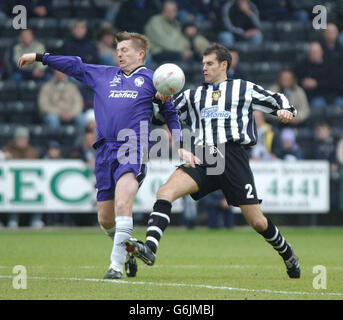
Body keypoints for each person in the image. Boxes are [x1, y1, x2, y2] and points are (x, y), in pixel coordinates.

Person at [125, 44, 301, 279]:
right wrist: (159, 99)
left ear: (224, 65)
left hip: (232, 157)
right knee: (165, 192)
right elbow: (161, 116)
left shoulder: (243, 88)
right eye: (203, 64)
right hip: (203, 155)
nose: (204, 68)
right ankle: (150, 248)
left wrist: (286, 110)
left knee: (257, 221)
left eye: (209, 64)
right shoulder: (193, 94)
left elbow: (278, 99)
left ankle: (287, 254)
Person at [17, 31, 181, 280]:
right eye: (117, 49)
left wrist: (179, 142)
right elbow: (74, 65)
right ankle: (127, 251)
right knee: (105, 219)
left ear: (141, 54)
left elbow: (169, 113)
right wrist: (40, 57)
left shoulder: (152, 80)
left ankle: (114, 268)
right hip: (104, 150)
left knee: (123, 203)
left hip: (133, 147)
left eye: (125, 50)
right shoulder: (104, 74)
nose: (119, 53)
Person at [1, 126, 44, 229]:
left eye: (24, 139)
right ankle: (13, 220)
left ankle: (36, 220)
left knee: (39, 195)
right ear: (15, 139)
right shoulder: (6, 150)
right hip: (11, 186)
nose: (21, 141)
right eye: (19, 138)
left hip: (30, 185)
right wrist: (4, 157)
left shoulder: (32, 151)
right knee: (10, 199)